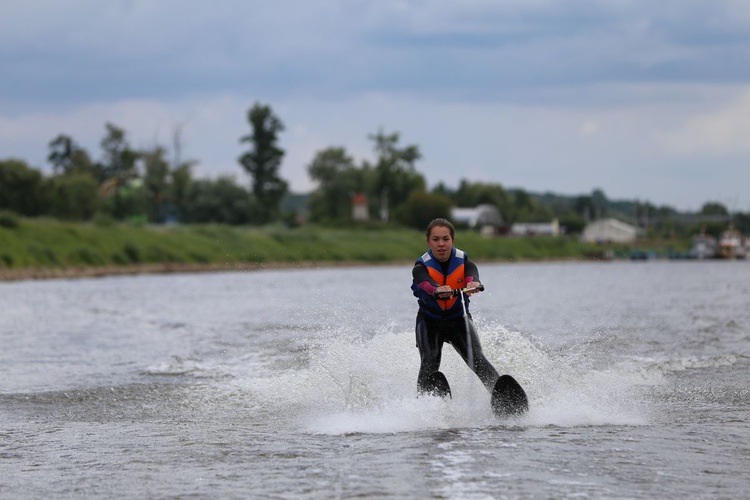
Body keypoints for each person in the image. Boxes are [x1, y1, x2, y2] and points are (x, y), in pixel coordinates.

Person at [410, 218, 501, 396]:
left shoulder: (465, 263)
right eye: (436, 239)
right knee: (429, 362)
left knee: (478, 359)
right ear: (428, 241)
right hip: (429, 322)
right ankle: (423, 404)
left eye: (446, 239)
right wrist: (436, 290)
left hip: (458, 320)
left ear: (453, 240)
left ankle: (502, 397)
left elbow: (471, 275)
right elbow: (425, 282)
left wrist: (473, 283)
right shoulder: (420, 267)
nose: (441, 244)